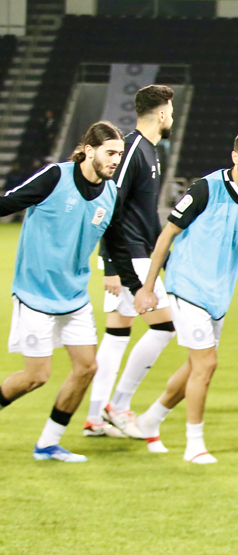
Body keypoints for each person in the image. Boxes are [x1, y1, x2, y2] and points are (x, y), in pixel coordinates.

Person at [126, 129, 238, 464]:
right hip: (186, 284)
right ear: (235, 156)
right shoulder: (206, 188)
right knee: (207, 364)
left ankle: (150, 419)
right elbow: (167, 235)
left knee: (197, 366)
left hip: (218, 294)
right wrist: (148, 287)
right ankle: (194, 444)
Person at [0, 121, 124, 462]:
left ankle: (48, 444)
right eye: (110, 153)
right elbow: (8, 202)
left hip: (75, 296)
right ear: (88, 150)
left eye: (119, 154)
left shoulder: (111, 193)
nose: (115, 160)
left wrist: (114, 272)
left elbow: (111, 237)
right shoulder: (55, 177)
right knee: (35, 377)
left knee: (86, 367)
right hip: (35, 293)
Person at [85, 85, 176, 438]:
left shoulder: (151, 151)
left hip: (139, 252)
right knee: (164, 326)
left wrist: (163, 255)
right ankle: (118, 406)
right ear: (162, 113)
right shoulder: (133, 149)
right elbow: (111, 203)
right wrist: (109, 265)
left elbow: (146, 212)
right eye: (171, 109)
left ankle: (95, 416)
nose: (173, 115)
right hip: (128, 257)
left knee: (117, 334)